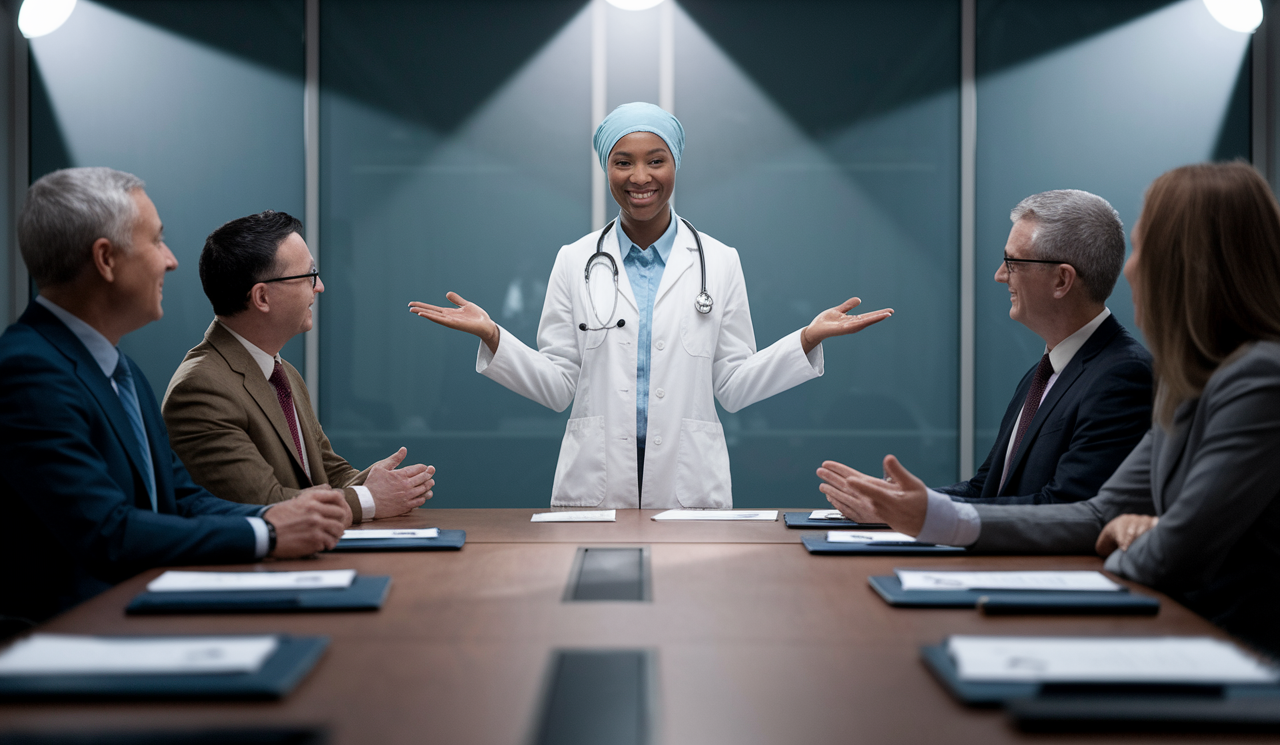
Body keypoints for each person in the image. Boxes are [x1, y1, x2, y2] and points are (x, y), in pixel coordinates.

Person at [819, 162, 1280, 654]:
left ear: (1186, 266)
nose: (1130, 268)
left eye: (1145, 248)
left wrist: (1125, 537)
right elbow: (1100, 513)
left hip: (1233, 661)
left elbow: (1169, 552)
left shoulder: (1256, 378)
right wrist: (919, 510)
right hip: (1183, 641)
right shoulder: (1186, 383)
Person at [410, 102, 892, 509]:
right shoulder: (574, 260)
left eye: (655, 160)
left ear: (676, 164)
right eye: (623, 162)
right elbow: (559, 387)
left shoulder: (720, 262)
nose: (640, 176)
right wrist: (493, 336)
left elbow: (733, 386)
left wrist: (806, 339)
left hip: (689, 482)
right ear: (606, 169)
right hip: (595, 484)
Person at [0, 168, 349, 628]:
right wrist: (266, 531)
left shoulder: (122, 372)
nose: (171, 260)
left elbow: (181, 498)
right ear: (105, 259)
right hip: (71, 640)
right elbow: (109, 532)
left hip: (138, 617)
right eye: (156, 241)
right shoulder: (29, 371)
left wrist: (281, 516)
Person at [874, 190, 1152, 511]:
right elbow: (987, 488)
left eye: (1012, 262)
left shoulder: (1123, 377)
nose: (1000, 275)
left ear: (1062, 280)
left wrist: (924, 512)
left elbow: (1065, 508)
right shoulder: (1040, 374)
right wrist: (897, 502)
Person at [163, 211, 434, 524]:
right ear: (262, 297)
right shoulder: (200, 388)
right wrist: (370, 499)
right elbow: (265, 504)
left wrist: (378, 483)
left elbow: (326, 471)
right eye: (310, 275)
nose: (319, 287)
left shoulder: (283, 373)